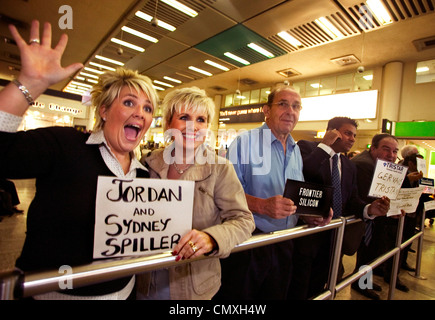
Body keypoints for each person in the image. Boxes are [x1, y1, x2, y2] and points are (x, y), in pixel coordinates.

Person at [0, 20, 160, 299]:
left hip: (123, 292)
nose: (141, 113)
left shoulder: (144, 175)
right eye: (129, 102)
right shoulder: (65, 146)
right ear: (104, 110)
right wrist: (28, 84)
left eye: (148, 108)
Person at [214, 85, 331, 300]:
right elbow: (224, 194)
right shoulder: (245, 142)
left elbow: (295, 196)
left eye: (296, 106)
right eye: (283, 104)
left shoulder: (295, 150)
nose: (290, 111)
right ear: (267, 110)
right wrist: (262, 205)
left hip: (285, 242)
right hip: (249, 243)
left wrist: (307, 214)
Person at [137, 87, 255, 300]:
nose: (193, 126)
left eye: (200, 119)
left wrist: (211, 238)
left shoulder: (220, 168)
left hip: (194, 287)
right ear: (168, 124)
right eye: (184, 117)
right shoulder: (146, 164)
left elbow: (244, 220)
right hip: (147, 282)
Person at [289, 117, 390, 300]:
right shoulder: (307, 148)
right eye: (347, 133)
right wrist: (326, 146)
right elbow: (304, 172)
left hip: (333, 238)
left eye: (354, 135)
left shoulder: (349, 166)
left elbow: (351, 200)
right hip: (306, 236)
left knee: (319, 287)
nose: (352, 139)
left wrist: (369, 209)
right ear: (332, 132)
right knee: (298, 286)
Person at [351, 133, 407, 298]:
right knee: (367, 251)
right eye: (386, 150)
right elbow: (365, 197)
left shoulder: (378, 165)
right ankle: (360, 283)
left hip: (373, 217)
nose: (391, 155)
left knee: (370, 252)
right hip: (363, 218)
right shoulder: (364, 165)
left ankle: (363, 280)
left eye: (395, 151)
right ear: (373, 148)